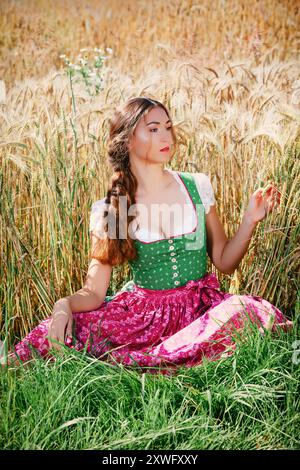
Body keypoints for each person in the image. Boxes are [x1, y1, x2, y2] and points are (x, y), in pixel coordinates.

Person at [2, 96, 293, 374]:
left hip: (202, 310)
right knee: (63, 328)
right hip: (146, 319)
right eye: (153, 130)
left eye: (168, 127)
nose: (166, 137)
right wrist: (63, 305)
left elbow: (224, 261)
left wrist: (249, 220)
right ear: (128, 140)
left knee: (247, 310)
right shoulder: (115, 207)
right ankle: (171, 358)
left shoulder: (196, 186)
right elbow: (94, 292)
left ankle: (163, 360)